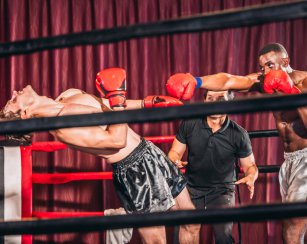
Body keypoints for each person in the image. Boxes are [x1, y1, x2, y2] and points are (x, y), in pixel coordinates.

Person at [1, 68, 200, 244]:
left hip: (149, 151)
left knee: (191, 221)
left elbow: (108, 104)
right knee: (157, 241)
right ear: (25, 114)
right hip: (134, 171)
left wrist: (146, 103)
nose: (13, 93)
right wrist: (118, 99)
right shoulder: (62, 127)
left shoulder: (68, 94)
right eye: (12, 101)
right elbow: (116, 140)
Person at [165, 43, 307, 244]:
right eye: (262, 67)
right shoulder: (264, 81)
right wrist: (197, 80)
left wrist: (291, 92)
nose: (265, 72)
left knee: (290, 232)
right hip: (290, 162)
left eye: (270, 65)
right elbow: (229, 80)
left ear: (286, 61)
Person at [168, 89, 258, 244]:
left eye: (220, 98)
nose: (215, 102)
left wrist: (251, 176)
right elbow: (174, 152)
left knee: (224, 236)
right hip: (191, 188)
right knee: (184, 231)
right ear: (204, 101)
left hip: (221, 191)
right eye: (210, 98)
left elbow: (250, 165)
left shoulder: (238, 134)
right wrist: (175, 160)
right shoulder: (190, 123)